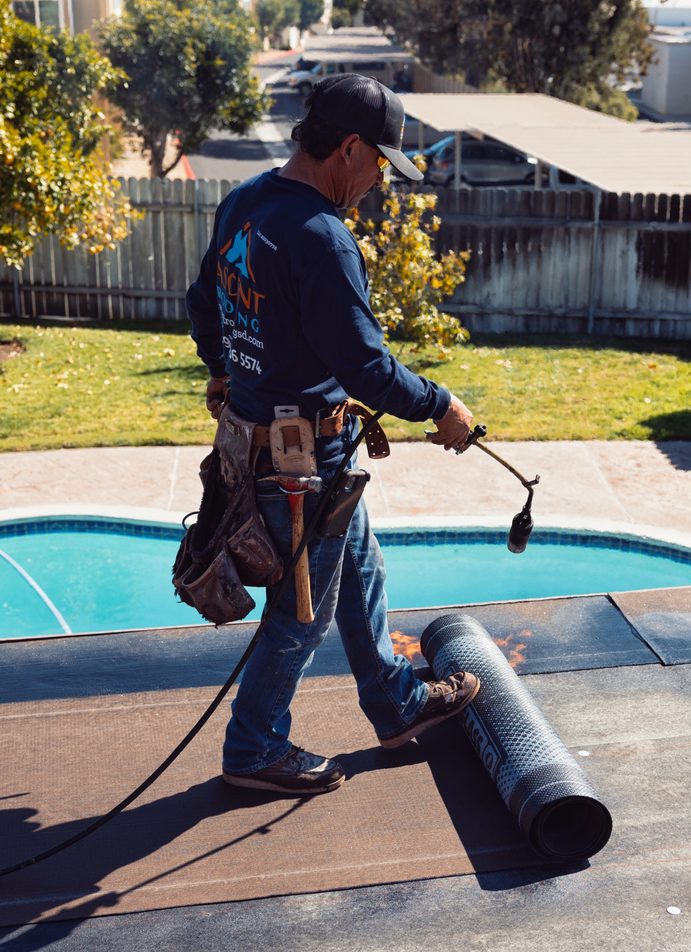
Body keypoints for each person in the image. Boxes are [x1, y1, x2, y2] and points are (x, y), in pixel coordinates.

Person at [185, 73, 479, 796]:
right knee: (302, 614)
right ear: (348, 148)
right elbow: (367, 368)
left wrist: (224, 368)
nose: (380, 180)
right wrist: (441, 405)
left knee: (362, 574)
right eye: (380, 162)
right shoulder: (323, 239)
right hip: (299, 463)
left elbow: (203, 301)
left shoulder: (247, 202)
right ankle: (253, 748)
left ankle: (396, 702)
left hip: (277, 441)